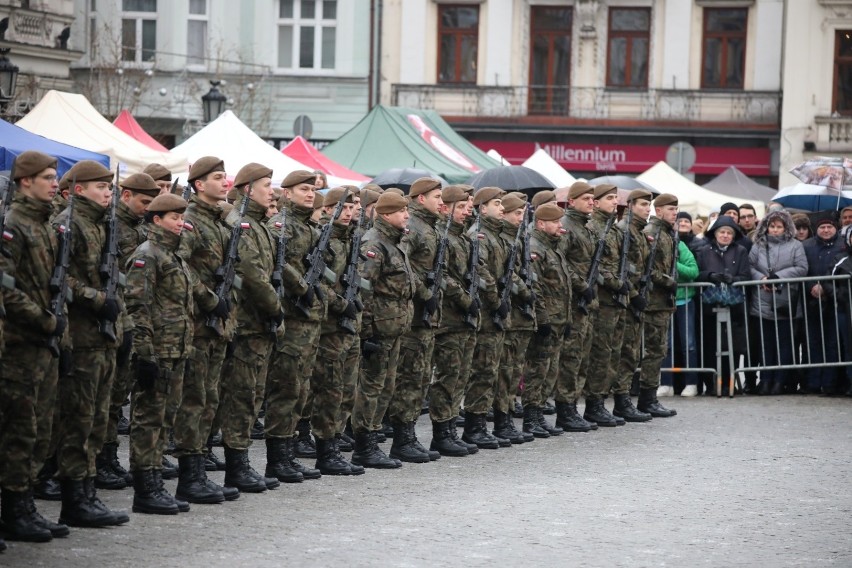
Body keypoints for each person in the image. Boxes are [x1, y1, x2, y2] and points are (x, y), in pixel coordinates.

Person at [125, 193, 215, 514]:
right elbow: (138, 307)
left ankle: (156, 484)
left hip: (176, 351)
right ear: (156, 220)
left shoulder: (173, 256)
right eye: (174, 218)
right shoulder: (148, 255)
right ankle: (145, 489)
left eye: (182, 217)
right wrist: (145, 354)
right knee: (148, 419)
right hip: (157, 352)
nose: (181, 223)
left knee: (165, 420)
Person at [52, 160, 129, 527]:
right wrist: (97, 300)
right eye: (102, 187)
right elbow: (59, 279)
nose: (108, 193)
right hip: (80, 338)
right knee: (78, 422)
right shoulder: (68, 224)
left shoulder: (100, 226)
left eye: (110, 188)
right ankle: (74, 499)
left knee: (97, 421)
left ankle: (87, 492)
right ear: (79, 189)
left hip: (103, 337)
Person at [0, 151, 69, 542]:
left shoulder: (44, 226)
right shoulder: (14, 226)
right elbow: (7, 289)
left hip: (44, 344)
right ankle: (14, 510)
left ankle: (23, 504)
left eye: (54, 176)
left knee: (41, 430)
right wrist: (45, 320)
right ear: (25, 181)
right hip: (20, 345)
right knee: (19, 433)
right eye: (45, 177)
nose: (53, 182)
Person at [173, 156, 240, 503]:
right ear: (199, 184)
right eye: (217, 177)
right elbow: (179, 267)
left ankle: (199, 470)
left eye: (225, 176)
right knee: (195, 400)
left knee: (210, 400)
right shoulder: (191, 222)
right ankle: (189, 477)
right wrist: (209, 299)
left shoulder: (222, 222)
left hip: (219, 327)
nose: (225, 181)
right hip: (200, 324)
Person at [218, 163, 283, 493]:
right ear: (248, 189)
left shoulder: (258, 223)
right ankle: (236, 467)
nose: (272, 190)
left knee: (252, 394)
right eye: (266, 185)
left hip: (257, 324)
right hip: (246, 323)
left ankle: (241, 463)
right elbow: (254, 276)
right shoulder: (242, 224)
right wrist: (276, 307)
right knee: (241, 396)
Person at [265, 170, 327, 483]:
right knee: (286, 389)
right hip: (291, 317)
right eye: (303, 189)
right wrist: (303, 286)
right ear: (286, 193)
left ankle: (288, 453)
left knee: (300, 390)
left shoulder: (309, 226)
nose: (310, 194)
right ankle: (276, 459)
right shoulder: (282, 224)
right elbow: (279, 260)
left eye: (312, 189)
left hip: (309, 321)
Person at [99, 172, 160, 492]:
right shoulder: (114, 226)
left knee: (119, 392)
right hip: (111, 318)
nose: (147, 208)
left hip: (130, 319)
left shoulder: (140, 227)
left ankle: (108, 460)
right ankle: (102, 460)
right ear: (125, 195)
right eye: (143, 202)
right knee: (108, 399)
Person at [350, 192, 414, 469]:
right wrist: (366, 333)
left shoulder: (394, 242)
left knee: (386, 387)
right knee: (371, 388)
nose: (407, 215)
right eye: (401, 211)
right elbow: (364, 291)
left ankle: (373, 441)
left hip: (393, 326)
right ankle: (364, 447)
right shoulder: (374, 243)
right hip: (378, 330)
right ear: (386, 214)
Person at [309, 187, 365, 475]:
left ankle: (336, 439)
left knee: (345, 390)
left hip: (348, 326)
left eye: (354, 206)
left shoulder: (350, 239)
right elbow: (317, 281)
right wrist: (342, 304)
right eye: (344, 207)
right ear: (329, 209)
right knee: (328, 391)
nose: (350, 212)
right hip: (329, 326)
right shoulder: (323, 239)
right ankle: (324, 449)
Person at [389, 177, 444, 462]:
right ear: (421, 198)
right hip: (413, 316)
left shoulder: (429, 227)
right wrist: (424, 292)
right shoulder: (414, 228)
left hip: (426, 317)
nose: (442, 202)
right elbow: (402, 265)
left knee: (419, 377)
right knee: (409, 379)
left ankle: (408, 435)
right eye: (437, 196)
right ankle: (402, 438)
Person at [428, 186, 486, 456]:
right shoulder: (443, 236)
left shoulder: (462, 237)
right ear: (447, 207)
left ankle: (451, 428)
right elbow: (442, 275)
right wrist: (464, 298)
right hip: (450, 317)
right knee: (448, 376)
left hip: (466, 317)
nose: (468, 211)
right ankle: (441, 432)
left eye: (469, 207)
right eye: (462, 207)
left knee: (460, 375)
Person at [465, 187, 514, 448]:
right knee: (482, 371)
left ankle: (480, 424)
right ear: (483, 208)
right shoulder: (481, 235)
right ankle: (474, 427)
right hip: (484, 313)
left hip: (494, 313)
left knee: (490, 371)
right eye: (497, 203)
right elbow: (481, 272)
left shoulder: (498, 235)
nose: (502, 207)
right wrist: (496, 300)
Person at [522, 202, 571, 437]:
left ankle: (539, 413)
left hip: (559, 318)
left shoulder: (553, 246)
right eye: (555, 222)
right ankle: (531, 417)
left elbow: (562, 286)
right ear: (541, 223)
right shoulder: (535, 247)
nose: (560, 226)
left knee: (549, 370)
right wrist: (542, 318)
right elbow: (536, 287)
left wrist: (567, 317)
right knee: (537, 370)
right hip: (546, 319)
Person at [748, 209, 808, 395]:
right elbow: (749, 265)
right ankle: (765, 379)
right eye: (772, 226)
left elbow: (801, 268)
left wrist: (778, 277)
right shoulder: (758, 244)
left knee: (784, 344)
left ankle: (780, 380)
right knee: (766, 344)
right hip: (762, 299)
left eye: (779, 227)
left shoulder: (796, 245)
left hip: (785, 300)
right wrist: (762, 279)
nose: (775, 230)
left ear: (785, 228)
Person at [492, 193, 534, 443]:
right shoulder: (502, 238)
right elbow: (504, 275)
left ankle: (506, 418)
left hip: (516, 314)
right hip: (506, 312)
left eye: (522, 213)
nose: (521, 218)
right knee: (503, 370)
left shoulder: (515, 238)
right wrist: (524, 291)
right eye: (516, 213)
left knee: (512, 369)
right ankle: (500, 421)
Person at [693, 216, 751, 396]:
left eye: (729, 233)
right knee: (710, 345)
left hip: (733, 306)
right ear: (715, 233)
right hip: (709, 306)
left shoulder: (740, 251)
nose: (725, 236)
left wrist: (734, 279)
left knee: (731, 346)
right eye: (722, 232)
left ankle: (729, 383)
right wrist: (710, 276)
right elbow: (697, 274)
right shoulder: (703, 251)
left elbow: (746, 275)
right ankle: (711, 384)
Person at [637, 193, 679, 417]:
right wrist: (667, 281)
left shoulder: (667, 234)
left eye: (676, 209)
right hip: (653, 301)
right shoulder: (653, 233)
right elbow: (647, 268)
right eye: (670, 209)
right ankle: (646, 399)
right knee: (653, 351)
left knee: (658, 350)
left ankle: (649, 397)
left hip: (662, 302)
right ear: (659, 210)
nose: (674, 213)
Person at [801, 215, 847, 394]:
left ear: (835, 228)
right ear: (817, 229)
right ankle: (813, 382)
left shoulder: (842, 245)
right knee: (813, 343)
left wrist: (826, 288)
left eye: (829, 227)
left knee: (832, 343)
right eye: (822, 227)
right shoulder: (807, 246)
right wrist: (811, 285)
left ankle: (830, 383)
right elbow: (802, 270)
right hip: (811, 302)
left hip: (835, 300)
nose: (826, 230)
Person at [658, 231, 699, 397]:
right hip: (663, 301)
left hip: (684, 300)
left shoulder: (681, 246)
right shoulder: (656, 247)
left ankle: (691, 383)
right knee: (665, 344)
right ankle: (666, 383)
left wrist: (675, 265)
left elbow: (693, 271)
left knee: (688, 344)